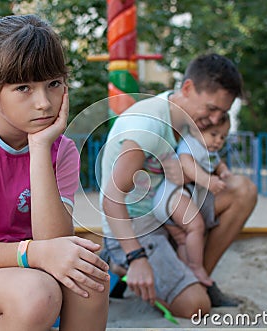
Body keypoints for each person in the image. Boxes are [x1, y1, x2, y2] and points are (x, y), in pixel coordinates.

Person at [0, 15, 109, 331]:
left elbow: (54, 243)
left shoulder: (62, 150)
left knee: (91, 278)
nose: (43, 103)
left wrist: (40, 148)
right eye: (23, 88)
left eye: (53, 84)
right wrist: (35, 254)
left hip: (24, 265)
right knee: (34, 294)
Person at [100, 53, 257, 318]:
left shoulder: (188, 118)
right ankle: (120, 263)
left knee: (242, 190)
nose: (216, 120)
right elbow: (111, 199)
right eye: (211, 109)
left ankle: (198, 277)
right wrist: (136, 257)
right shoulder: (147, 125)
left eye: (223, 113)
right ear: (187, 89)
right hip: (136, 226)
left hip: (169, 212)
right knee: (195, 307)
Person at [152, 113, 232, 287]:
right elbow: (187, 165)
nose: (218, 141)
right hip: (174, 195)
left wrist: (224, 171)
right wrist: (208, 181)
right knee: (196, 227)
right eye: (214, 134)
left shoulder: (210, 151)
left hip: (169, 202)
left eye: (223, 137)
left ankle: (185, 271)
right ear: (196, 130)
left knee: (183, 239)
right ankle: (197, 267)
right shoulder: (191, 144)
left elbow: (218, 164)